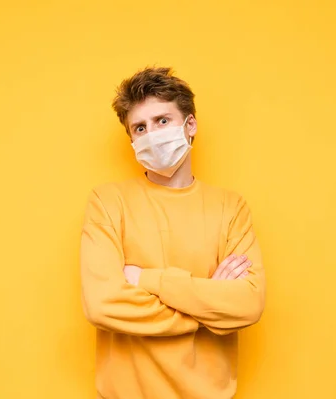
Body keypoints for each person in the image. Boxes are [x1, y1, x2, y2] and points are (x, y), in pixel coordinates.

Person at [79, 66, 266, 399]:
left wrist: (145, 280)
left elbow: (248, 304)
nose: (151, 134)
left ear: (189, 124)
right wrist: (207, 306)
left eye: (162, 121)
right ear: (132, 139)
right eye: (139, 127)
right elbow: (102, 304)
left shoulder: (230, 207)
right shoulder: (108, 202)